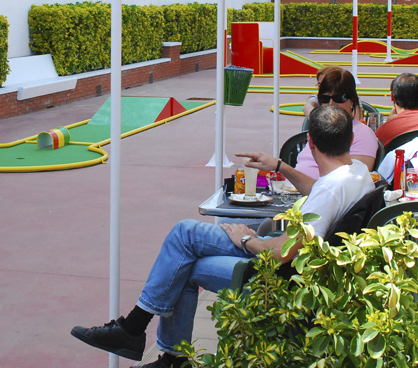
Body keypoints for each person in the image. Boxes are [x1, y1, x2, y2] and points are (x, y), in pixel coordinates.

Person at [70, 106, 373, 368]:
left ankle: (143, 335)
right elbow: (319, 191)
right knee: (183, 247)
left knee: (183, 244)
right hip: (290, 256)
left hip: (273, 270)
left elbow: (283, 252)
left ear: (309, 141)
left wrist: (246, 239)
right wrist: (280, 166)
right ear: (349, 139)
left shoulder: (331, 189)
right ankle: (155, 346)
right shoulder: (355, 172)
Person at [295, 67, 379, 173]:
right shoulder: (320, 128)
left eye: (339, 98)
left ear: (352, 100)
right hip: (291, 187)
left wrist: (283, 168)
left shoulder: (363, 133)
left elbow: (351, 182)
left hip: (317, 189)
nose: (331, 104)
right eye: (325, 98)